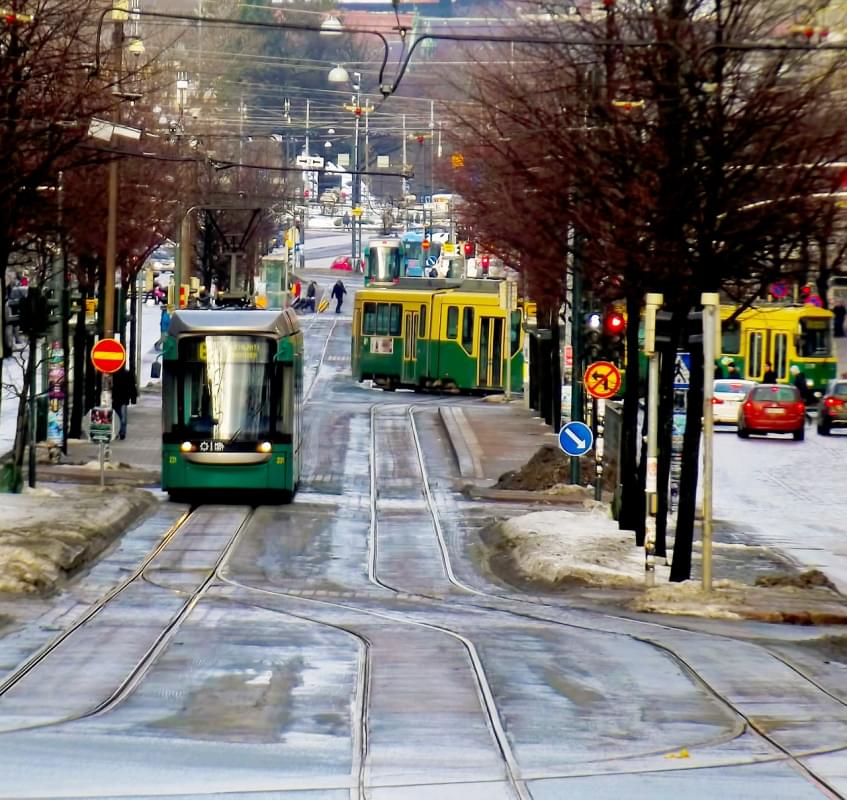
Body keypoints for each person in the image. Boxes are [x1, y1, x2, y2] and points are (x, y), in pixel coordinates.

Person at [111, 367, 137, 440]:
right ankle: (122, 432)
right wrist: (133, 398)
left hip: (116, 398)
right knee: (122, 417)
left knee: (117, 416)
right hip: (123, 398)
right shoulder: (128, 374)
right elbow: (132, 386)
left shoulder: (114, 373)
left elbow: (132, 386)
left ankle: (118, 432)